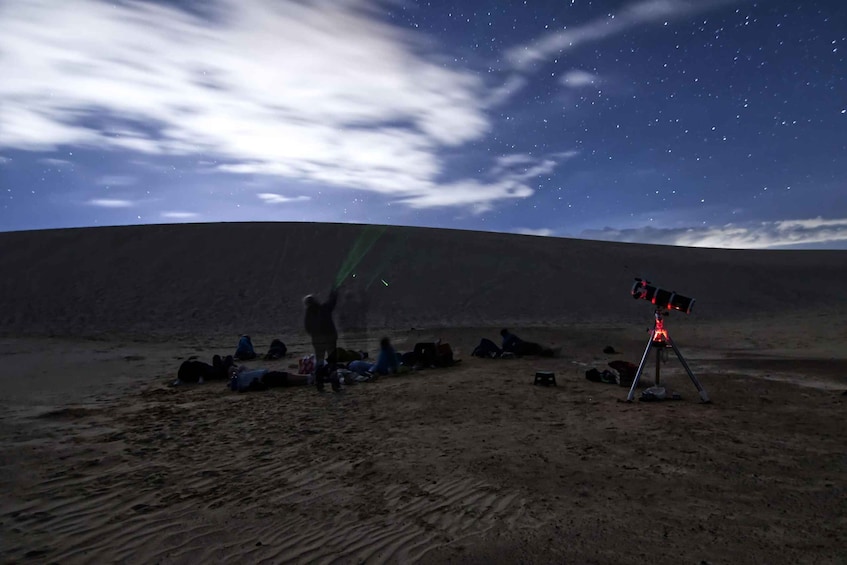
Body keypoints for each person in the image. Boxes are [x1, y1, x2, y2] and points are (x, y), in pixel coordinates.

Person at [303, 289, 339, 391]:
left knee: (319, 361)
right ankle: (335, 384)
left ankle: (319, 383)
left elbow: (307, 328)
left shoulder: (308, 315)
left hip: (317, 340)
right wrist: (334, 291)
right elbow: (332, 302)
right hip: (330, 338)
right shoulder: (324, 308)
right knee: (332, 362)